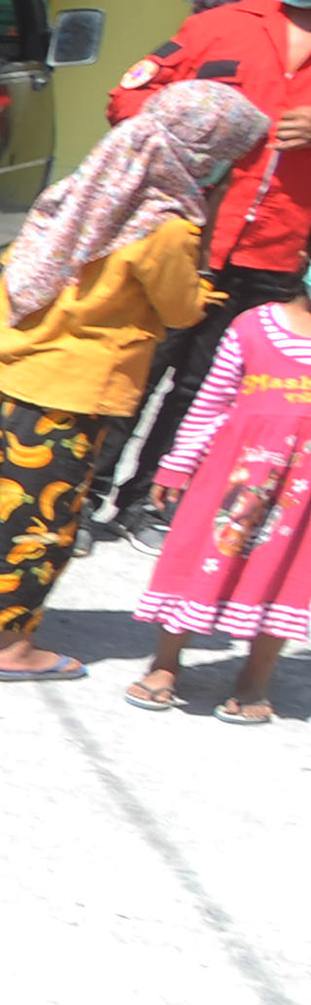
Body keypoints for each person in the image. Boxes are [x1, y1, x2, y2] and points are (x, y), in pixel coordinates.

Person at [0, 86, 251, 680]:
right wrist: (207, 261)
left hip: (5, 371)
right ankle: (12, 647)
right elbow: (179, 309)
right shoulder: (166, 228)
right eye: (230, 158)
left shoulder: (84, 189)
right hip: (68, 396)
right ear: (202, 157)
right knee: (40, 522)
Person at [95, 0, 311, 531]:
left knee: (207, 390)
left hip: (280, 252)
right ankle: (85, 494)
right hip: (182, 240)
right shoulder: (222, 24)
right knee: (135, 368)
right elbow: (128, 97)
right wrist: (192, 132)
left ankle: (148, 502)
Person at [127, 281, 311, 721]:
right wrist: (177, 463)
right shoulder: (253, 326)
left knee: (285, 573)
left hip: (301, 494)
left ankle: (255, 676)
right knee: (198, 559)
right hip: (231, 478)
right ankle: (166, 662)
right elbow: (211, 401)